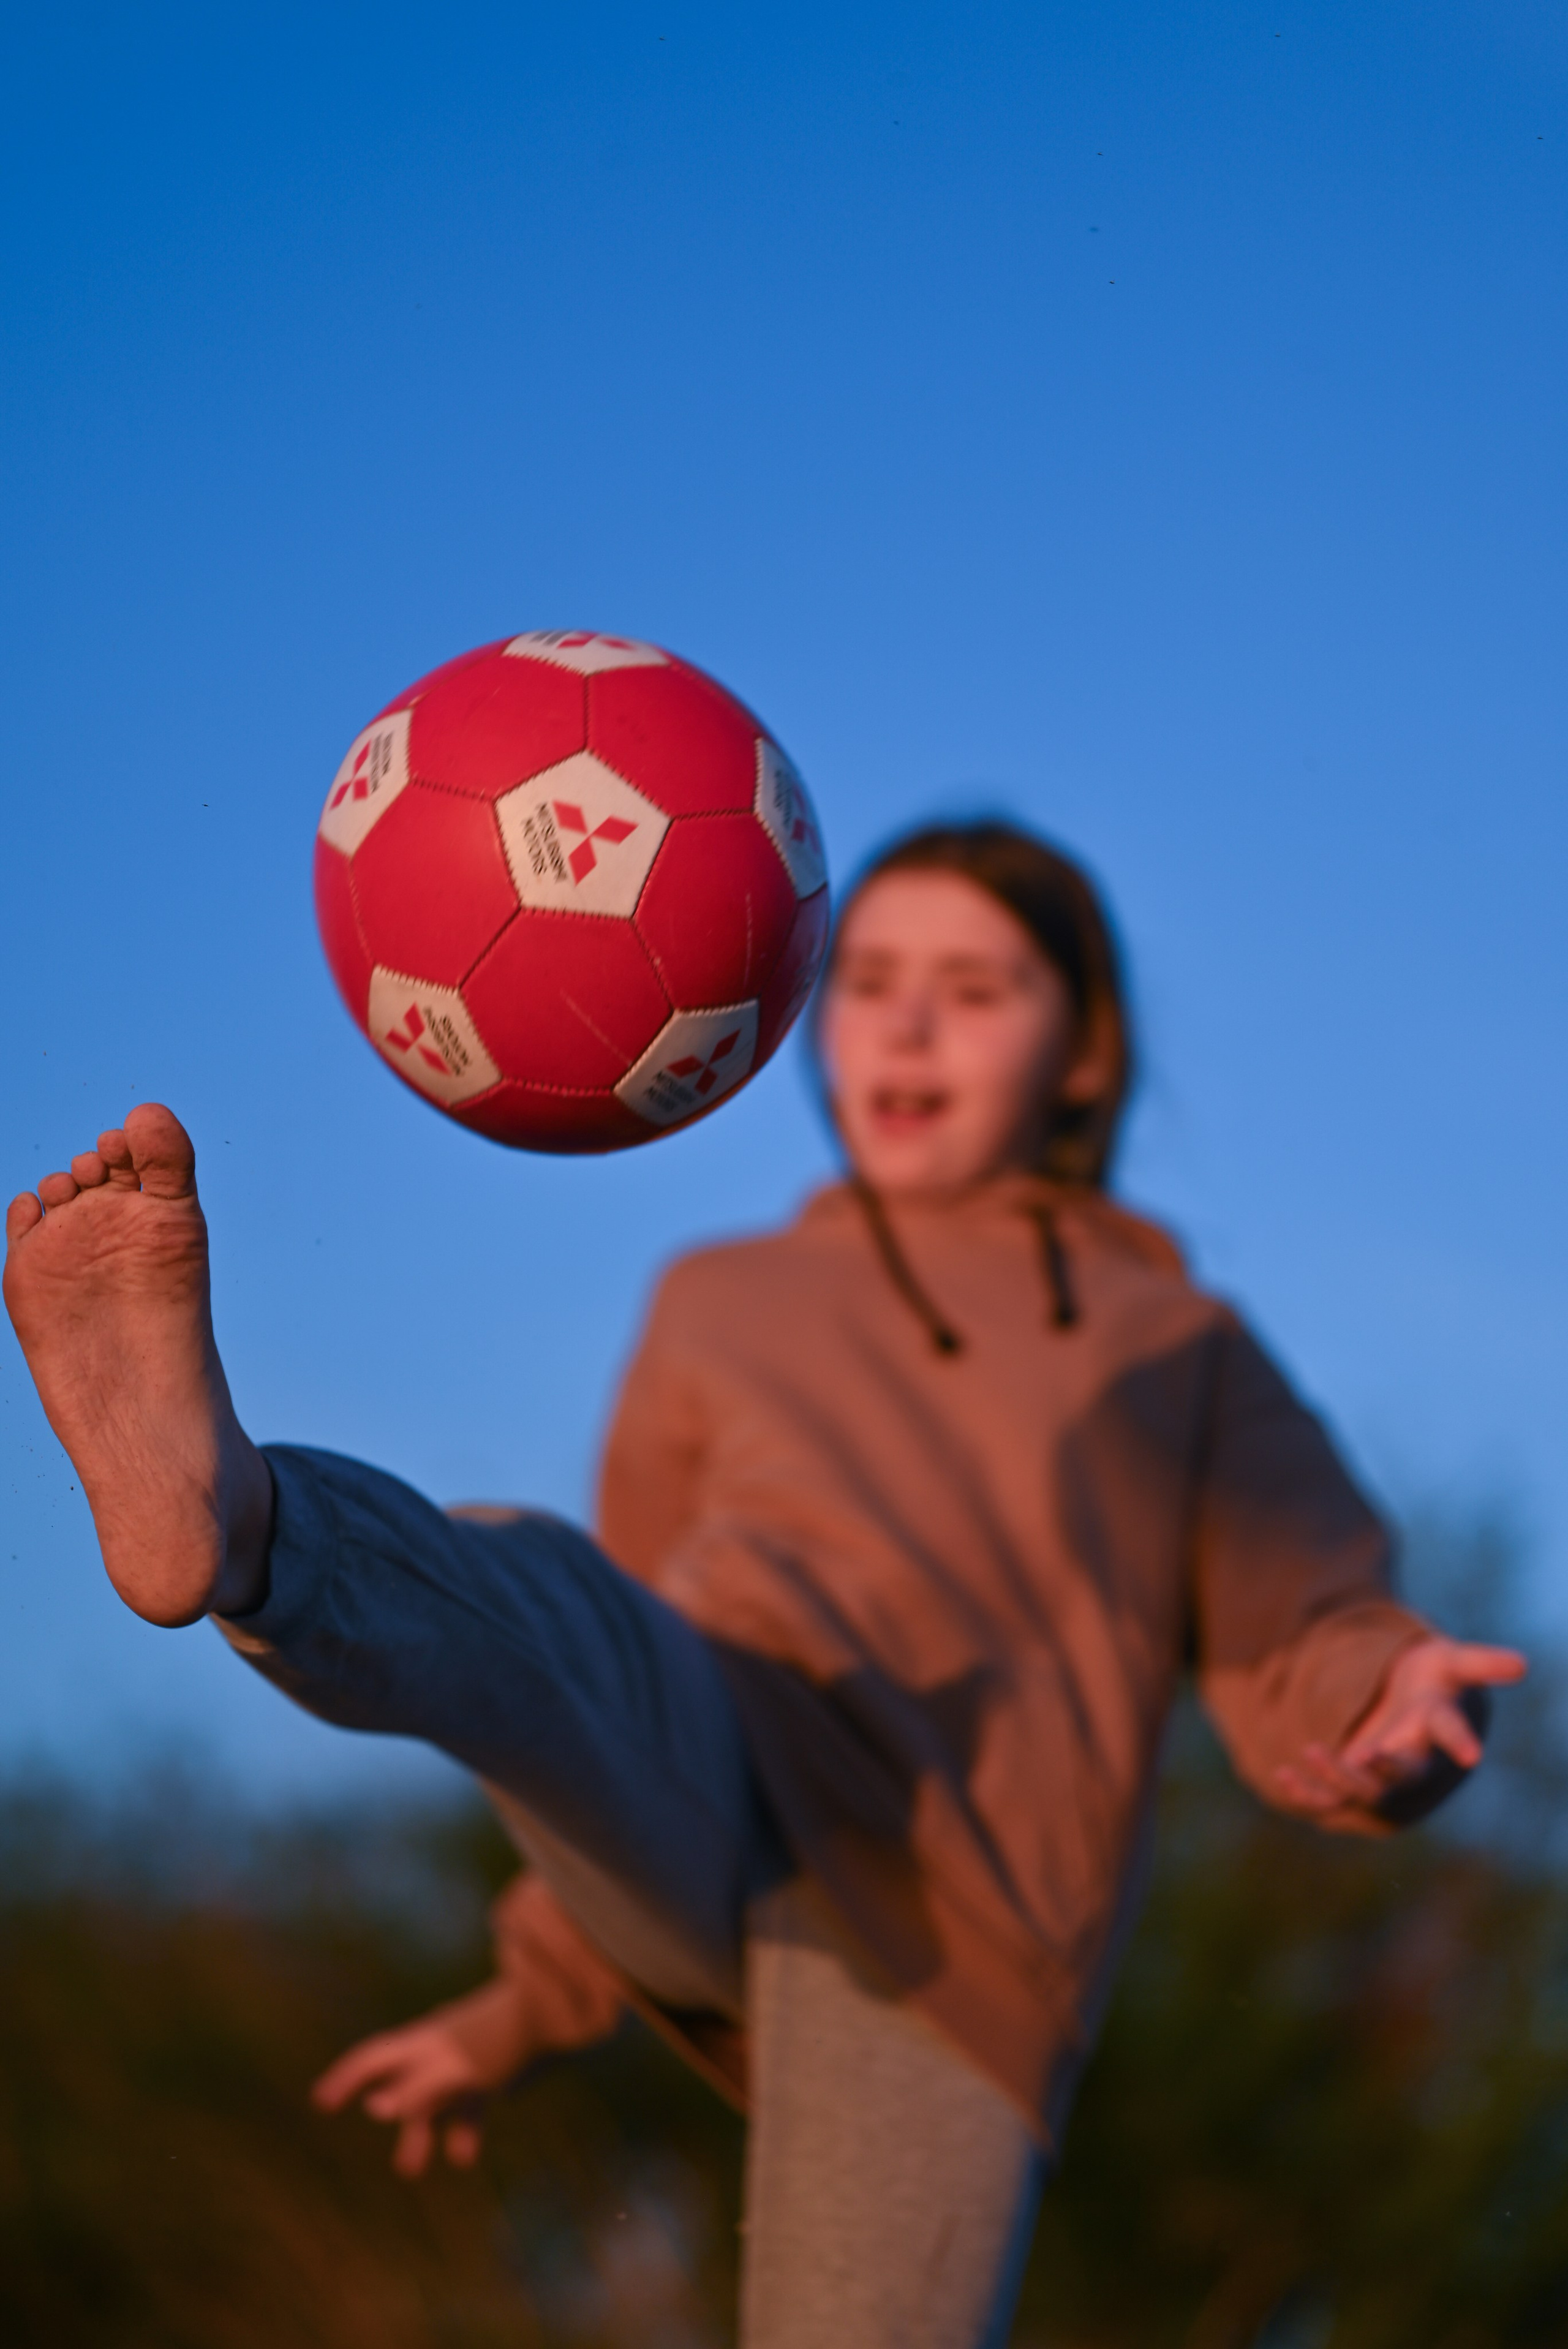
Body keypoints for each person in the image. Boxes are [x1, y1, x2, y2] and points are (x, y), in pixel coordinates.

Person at [3, 820, 1525, 2348]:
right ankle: (244, 1516)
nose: (909, 1022)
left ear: (1081, 1050)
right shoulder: (717, 1298)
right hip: (711, 1752)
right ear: (794, 1009)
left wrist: (1378, 1694)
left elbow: (1304, 1604)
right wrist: (527, 1992)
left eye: (974, 987)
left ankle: (253, 1520)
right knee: (540, 1588)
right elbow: (612, 1653)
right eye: (867, 980)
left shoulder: (1172, 1343)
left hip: (939, 1930)